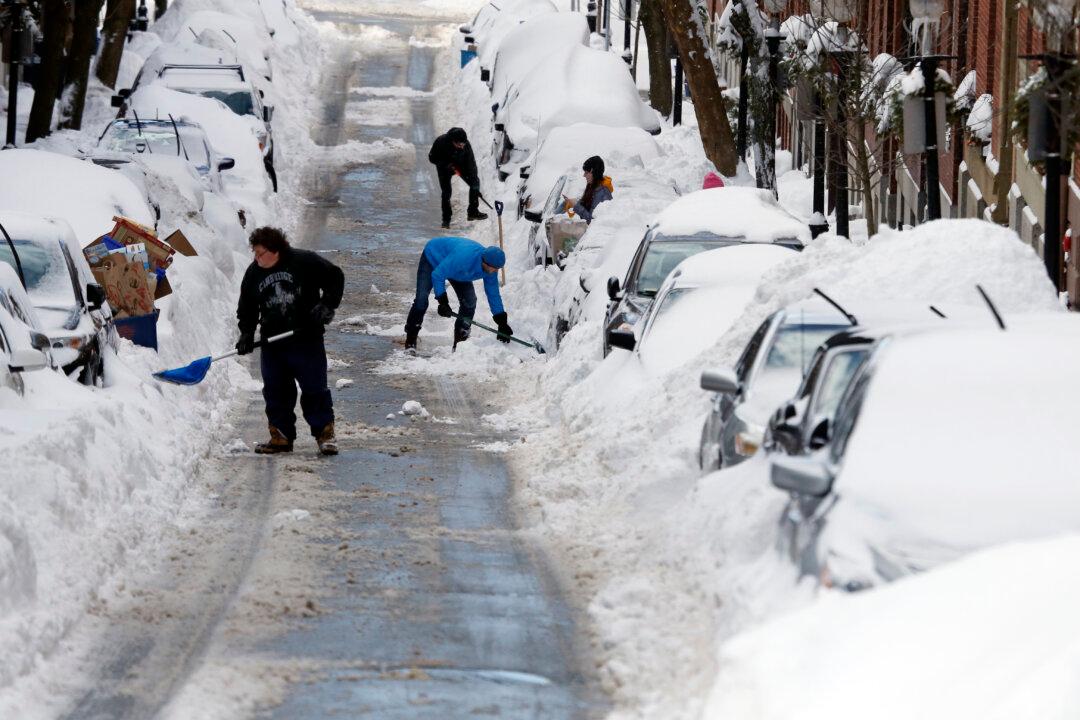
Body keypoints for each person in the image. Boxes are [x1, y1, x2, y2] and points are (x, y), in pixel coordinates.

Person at [236, 227, 345, 456]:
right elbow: (247, 306)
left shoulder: (304, 261)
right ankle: (281, 437)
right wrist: (246, 333)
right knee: (276, 391)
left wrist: (327, 305)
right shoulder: (254, 273)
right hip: (273, 343)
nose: (256, 258)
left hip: (307, 339)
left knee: (315, 389)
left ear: (275, 251)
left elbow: (335, 276)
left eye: (260, 253)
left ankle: (325, 435)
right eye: (254, 254)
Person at [404, 236, 510, 352]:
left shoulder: (491, 268)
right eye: (494, 268)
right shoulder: (464, 258)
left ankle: (459, 345)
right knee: (421, 300)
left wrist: (502, 322)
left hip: (458, 270)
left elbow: (493, 293)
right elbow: (438, 275)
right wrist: (443, 302)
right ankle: (411, 338)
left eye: (498, 269)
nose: (495, 271)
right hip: (433, 257)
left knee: (470, 302)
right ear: (485, 262)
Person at [429, 127, 487, 229]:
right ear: (453, 141)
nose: (462, 146)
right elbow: (432, 158)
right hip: (444, 167)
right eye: (459, 144)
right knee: (446, 192)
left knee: (475, 182)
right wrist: (446, 165)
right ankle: (446, 220)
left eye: (463, 144)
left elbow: (471, 165)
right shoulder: (440, 142)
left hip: (461, 165)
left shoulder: (465, 146)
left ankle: (473, 212)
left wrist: (474, 188)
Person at [562, 155, 613, 223]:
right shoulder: (592, 186)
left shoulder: (604, 194)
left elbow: (594, 222)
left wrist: (576, 205)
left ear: (593, 172)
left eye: (586, 172)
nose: (584, 175)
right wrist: (575, 202)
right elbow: (586, 207)